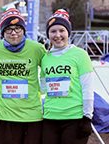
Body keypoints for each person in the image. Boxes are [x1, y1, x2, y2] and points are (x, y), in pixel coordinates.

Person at [0, 8, 46, 144]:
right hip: (5, 118)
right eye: (9, 29)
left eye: (18, 28)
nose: (14, 33)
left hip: (32, 116)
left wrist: (43, 87)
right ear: (3, 31)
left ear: (23, 30)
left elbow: (50, 66)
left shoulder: (36, 49)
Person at [40, 9, 94, 144]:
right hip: (50, 118)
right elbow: (42, 88)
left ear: (68, 33)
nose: (57, 35)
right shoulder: (45, 58)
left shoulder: (80, 54)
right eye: (53, 31)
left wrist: (87, 117)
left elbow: (87, 87)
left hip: (74, 118)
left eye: (61, 30)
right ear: (48, 35)